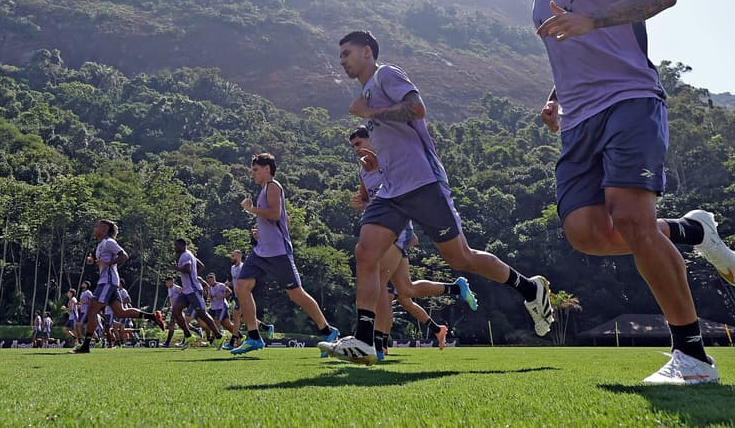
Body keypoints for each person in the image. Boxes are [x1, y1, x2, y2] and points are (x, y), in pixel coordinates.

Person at [522, 0, 735, 384]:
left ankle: (691, 356)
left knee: (630, 215)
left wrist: (596, 18)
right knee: (587, 234)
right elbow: (570, 49)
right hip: (577, 121)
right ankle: (693, 232)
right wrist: (557, 97)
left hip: (629, 100)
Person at [320, 32, 554, 365]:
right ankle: (364, 339)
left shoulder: (386, 75)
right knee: (365, 252)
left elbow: (416, 108)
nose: (341, 60)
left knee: (461, 258)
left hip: (422, 182)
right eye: (340, 55)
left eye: (346, 53)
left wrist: (371, 112)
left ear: (367, 52)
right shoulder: (367, 92)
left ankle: (530, 289)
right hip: (392, 190)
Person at [346, 125, 477, 357]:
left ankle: (376, 345)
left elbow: (404, 189)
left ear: (372, 140)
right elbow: (368, 196)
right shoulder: (363, 170)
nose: (356, 149)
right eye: (353, 146)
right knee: (405, 290)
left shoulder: (389, 161)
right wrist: (361, 201)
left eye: (359, 143)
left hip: (397, 228)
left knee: (383, 287)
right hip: (382, 231)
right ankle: (455, 288)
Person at [231, 153, 339, 356]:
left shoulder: (273, 186)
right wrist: (261, 233)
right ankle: (254, 337)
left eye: (255, 170)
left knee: (296, 294)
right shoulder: (264, 189)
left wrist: (250, 209)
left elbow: (275, 214)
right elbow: (284, 220)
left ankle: (328, 331)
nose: (252, 174)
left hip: (278, 253)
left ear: (266, 169)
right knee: (242, 287)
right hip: (261, 251)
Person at [70, 220, 166, 354]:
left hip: (107, 282)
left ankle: (85, 347)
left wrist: (108, 263)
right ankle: (153, 317)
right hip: (110, 281)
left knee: (92, 309)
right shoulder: (100, 244)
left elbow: (124, 256)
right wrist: (94, 262)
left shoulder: (109, 242)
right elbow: (102, 262)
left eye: (97, 226)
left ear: (104, 230)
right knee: (120, 312)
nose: (94, 228)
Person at [172, 239, 224, 347]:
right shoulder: (189, 254)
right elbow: (201, 266)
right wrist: (194, 276)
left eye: (176, 246)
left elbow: (188, 269)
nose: (175, 248)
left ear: (182, 245)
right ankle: (188, 336)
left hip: (193, 290)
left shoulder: (185, 256)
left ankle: (218, 336)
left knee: (202, 314)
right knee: (176, 310)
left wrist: (177, 268)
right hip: (186, 290)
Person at [206, 273, 240, 350]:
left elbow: (229, 291)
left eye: (211, 281)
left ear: (214, 279)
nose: (209, 283)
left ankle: (220, 339)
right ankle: (239, 337)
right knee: (228, 325)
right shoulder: (209, 288)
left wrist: (222, 296)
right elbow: (209, 296)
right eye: (208, 281)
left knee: (216, 322)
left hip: (221, 307)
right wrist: (210, 298)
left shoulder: (220, 285)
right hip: (213, 307)